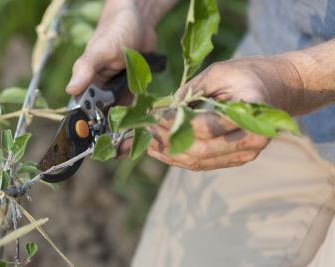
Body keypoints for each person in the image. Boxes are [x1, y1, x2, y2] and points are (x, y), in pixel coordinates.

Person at [66, 0, 335, 266]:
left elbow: (290, 79)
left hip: (278, 82)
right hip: (270, 68)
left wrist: (295, 79)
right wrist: (135, 8)